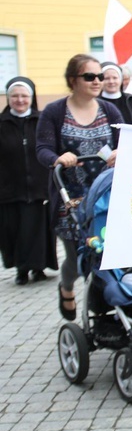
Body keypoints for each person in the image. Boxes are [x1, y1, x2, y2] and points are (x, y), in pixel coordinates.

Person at [36, 54, 122, 321]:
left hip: (106, 196)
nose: (97, 81)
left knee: (107, 253)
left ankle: (106, 302)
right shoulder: (55, 111)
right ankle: (67, 285)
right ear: (73, 80)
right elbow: (42, 149)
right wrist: (57, 158)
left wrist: (122, 152)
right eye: (89, 77)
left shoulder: (109, 110)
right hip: (70, 199)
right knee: (76, 257)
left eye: (99, 76)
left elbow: (127, 141)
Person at [0, 77, 57, 285]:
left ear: (31, 98)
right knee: (15, 231)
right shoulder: (2, 122)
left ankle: (39, 268)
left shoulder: (42, 120)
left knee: (39, 231)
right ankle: (21, 270)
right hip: (10, 188)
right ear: (8, 98)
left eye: (24, 96)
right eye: (15, 96)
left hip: (39, 186)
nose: (20, 100)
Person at [98, 62, 132, 126]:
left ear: (120, 79)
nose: (111, 81)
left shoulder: (130, 100)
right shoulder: (95, 102)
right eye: (106, 78)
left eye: (115, 78)